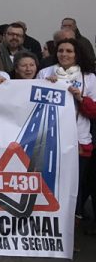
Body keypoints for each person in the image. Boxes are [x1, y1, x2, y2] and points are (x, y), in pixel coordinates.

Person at [38, 38, 96, 219]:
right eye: (61, 50)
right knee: (49, 186)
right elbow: (34, 106)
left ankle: (72, 232)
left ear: (77, 54)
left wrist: (80, 98)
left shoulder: (89, 77)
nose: (64, 54)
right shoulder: (45, 73)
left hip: (79, 141)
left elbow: (94, 111)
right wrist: (46, 86)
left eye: (69, 51)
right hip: (50, 141)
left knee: (74, 188)